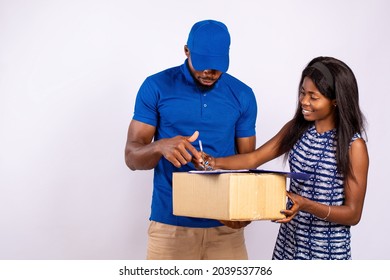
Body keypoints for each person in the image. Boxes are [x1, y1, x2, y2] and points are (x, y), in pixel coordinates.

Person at [198, 56, 369, 260]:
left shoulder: (353, 146)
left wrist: (306, 205)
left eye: (314, 97)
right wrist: (212, 162)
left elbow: (353, 214)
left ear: (336, 101)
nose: (304, 101)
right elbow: (254, 159)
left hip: (326, 253)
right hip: (288, 245)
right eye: (303, 93)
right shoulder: (297, 129)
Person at [125, 19, 258, 260]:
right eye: (203, 64)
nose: (210, 72)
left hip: (226, 227)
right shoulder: (156, 86)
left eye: (217, 66)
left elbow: (248, 164)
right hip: (171, 227)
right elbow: (132, 158)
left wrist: (245, 207)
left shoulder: (242, 94)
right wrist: (160, 146)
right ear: (186, 51)